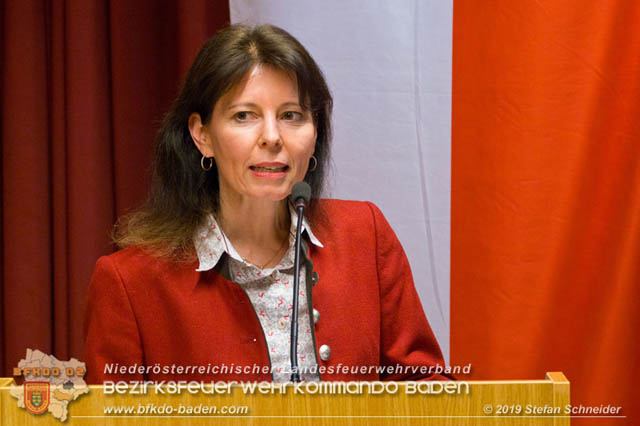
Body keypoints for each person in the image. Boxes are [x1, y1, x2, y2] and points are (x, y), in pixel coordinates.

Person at [83, 24, 448, 383]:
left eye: (291, 115)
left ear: (315, 131)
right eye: (244, 116)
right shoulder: (130, 282)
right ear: (202, 135)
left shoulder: (365, 235)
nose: (272, 137)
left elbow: (426, 392)